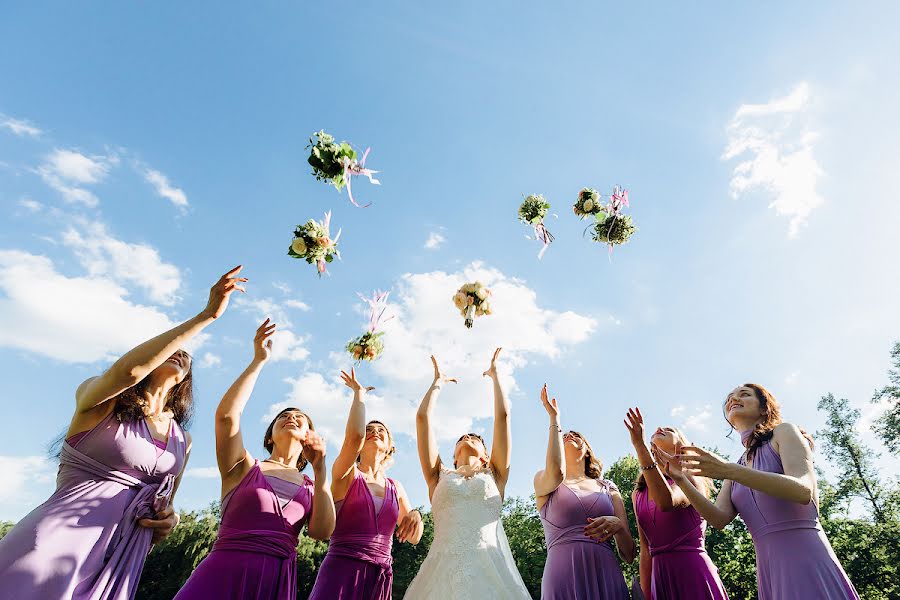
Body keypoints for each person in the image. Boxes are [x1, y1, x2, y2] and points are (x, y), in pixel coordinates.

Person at [0, 265, 245, 600]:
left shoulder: (182, 441)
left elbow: (165, 505)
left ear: (185, 379)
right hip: (54, 543)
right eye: (168, 347)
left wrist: (168, 521)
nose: (179, 351)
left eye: (185, 353)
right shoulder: (99, 402)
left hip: (119, 558)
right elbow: (128, 372)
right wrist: (206, 316)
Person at [174, 319, 335, 600]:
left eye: (300, 417)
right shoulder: (245, 467)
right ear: (270, 436)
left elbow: (322, 532)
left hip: (275, 581)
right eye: (283, 416)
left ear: (310, 436)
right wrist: (258, 360)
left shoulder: (312, 486)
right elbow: (226, 418)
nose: (291, 417)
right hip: (223, 573)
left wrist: (321, 472)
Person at [668, 383, 859, 599]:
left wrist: (729, 470)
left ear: (763, 408)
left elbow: (804, 490)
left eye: (744, 394)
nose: (733, 399)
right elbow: (718, 519)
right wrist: (680, 479)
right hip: (768, 569)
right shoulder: (737, 465)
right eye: (729, 398)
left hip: (806, 556)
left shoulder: (784, 432)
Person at [403, 350, 530, 599]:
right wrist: (437, 383)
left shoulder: (495, 474)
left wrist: (495, 376)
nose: (467, 437)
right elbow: (422, 419)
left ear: (486, 455)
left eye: (474, 437)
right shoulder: (437, 476)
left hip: (490, 570)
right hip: (442, 573)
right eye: (462, 438)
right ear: (453, 455)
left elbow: (503, 418)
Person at [309, 368, 423, 599]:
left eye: (381, 430)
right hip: (341, 571)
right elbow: (353, 438)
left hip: (379, 578)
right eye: (369, 429)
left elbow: (414, 537)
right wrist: (359, 395)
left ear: (390, 446)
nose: (374, 432)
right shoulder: (346, 473)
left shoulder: (395, 486)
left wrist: (416, 515)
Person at [535, 384, 634, 599]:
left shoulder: (608, 487)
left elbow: (628, 554)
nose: (569, 435)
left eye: (576, 435)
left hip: (605, 572)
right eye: (564, 435)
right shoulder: (545, 482)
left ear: (587, 450)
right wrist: (554, 420)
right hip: (563, 575)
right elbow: (555, 470)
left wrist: (618, 526)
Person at [624, 407, 727, 599]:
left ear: (682, 446)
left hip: (692, 572)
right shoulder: (637, 494)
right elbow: (646, 549)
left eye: (670, 430)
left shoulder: (691, 478)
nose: (660, 427)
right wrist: (647, 594)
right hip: (659, 577)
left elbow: (667, 502)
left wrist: (640, 446)